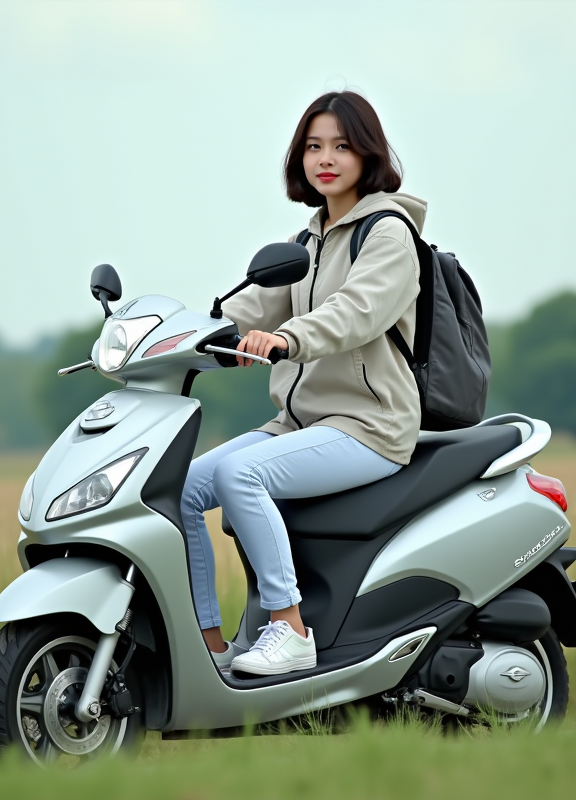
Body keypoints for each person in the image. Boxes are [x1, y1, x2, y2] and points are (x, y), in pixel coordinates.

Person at [179, 91, 427, 676]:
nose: (327, 158)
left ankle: (289, 628)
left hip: (371, 425)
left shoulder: (388, 235)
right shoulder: (306, 243)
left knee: (242, 473)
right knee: (182, 488)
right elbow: (249, 306)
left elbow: (355, 312)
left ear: (368, 153)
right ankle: (211, 644)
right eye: (314, 146)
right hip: (302, 423)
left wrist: (286, 340)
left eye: (342, 146)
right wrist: (183, 337)